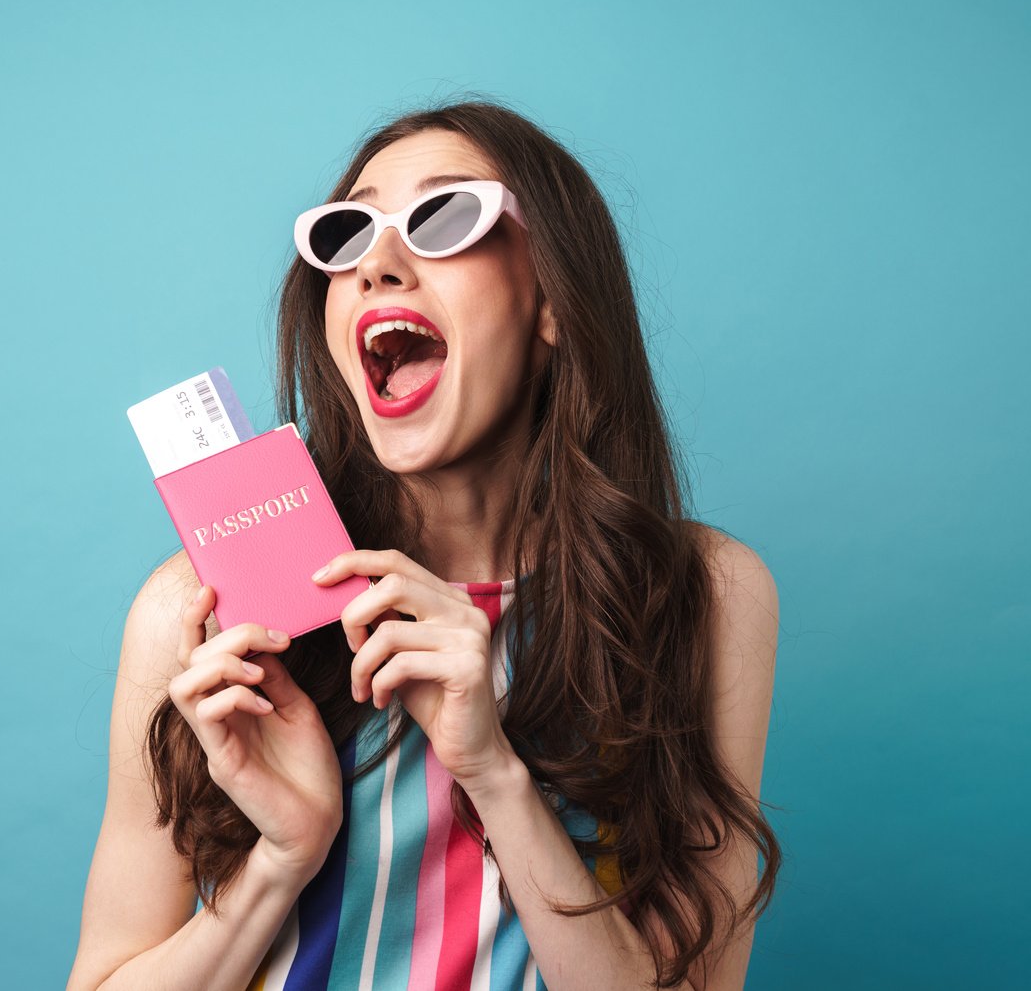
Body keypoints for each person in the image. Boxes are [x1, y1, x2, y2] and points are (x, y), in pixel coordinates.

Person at [68, 97, 781, 991]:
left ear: (554, 301)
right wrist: (283, 858)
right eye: (347, 234)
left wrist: (493, 771)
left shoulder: (700, 596)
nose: (377, 263)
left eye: (445, 219)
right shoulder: (199, 611)